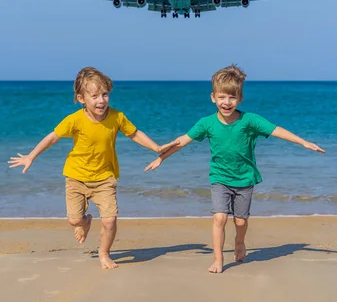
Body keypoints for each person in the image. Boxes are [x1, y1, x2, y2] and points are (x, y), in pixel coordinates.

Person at [145, 64, 325, 274]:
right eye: (222, 97)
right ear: (213, 97)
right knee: (219, 218)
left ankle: (240, 242)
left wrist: (303, 142)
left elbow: (277, 130)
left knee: (240, 221)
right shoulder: (206, 123)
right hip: (219, 178)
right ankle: (218, 259)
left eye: (232, 98)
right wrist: (161, 158)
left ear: (239, 99)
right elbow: (182, 141)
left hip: (245, 178)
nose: (226, 102)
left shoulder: (250, 120)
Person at [8, 67, 177, 270]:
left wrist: (156, 148)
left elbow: (135, 134)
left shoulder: (117, 117)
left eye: (104, 94)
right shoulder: (74, 120)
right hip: (75, 178)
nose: (101, 100)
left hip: (105, 179)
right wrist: (31, 156)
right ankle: (84, 222)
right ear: (81, 98)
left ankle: (104, 253)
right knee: (73, 220)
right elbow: (52, 137)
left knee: (110, 220)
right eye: (94, 96)